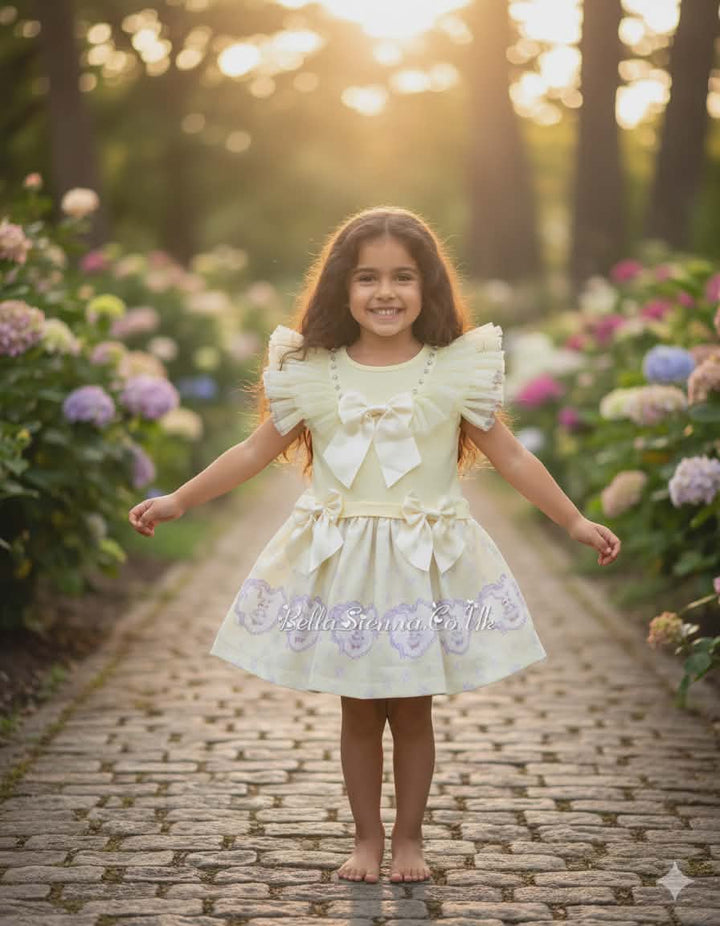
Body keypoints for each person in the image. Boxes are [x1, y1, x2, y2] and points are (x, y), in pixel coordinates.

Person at [129, 206, 621, 885]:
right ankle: (366, 838)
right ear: (342, 288)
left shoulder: (455, 368)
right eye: (367, 278)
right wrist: (179, 499)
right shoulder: (311, 369)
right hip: (344, 566)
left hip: (424, 565)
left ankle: (410, 838)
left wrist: (572, 521)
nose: (384, 292)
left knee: (413, 707)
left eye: (402, 277)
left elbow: (508, 454)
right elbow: (253, 449)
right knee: (358, 710)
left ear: (428, 288)